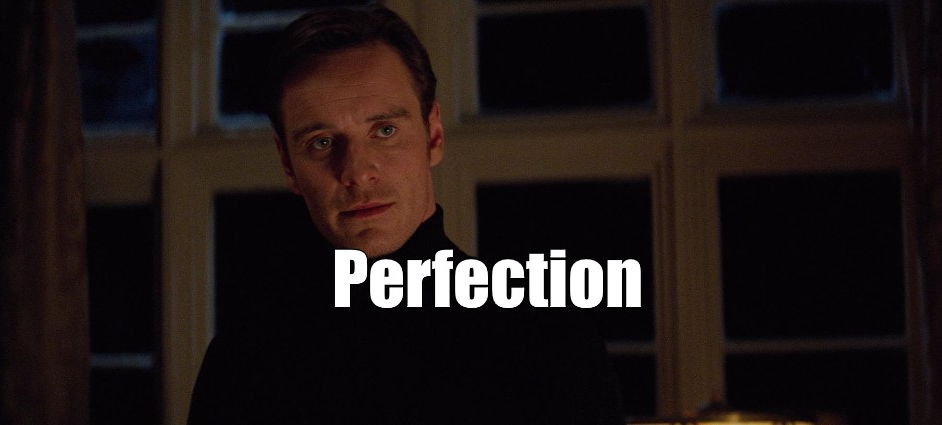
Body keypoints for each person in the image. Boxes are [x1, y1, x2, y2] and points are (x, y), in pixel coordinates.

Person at [187, 6, 624, 424]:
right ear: (288, 165)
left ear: (433, 135)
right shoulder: (244, 360)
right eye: (322, 142)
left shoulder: (548, 341)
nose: (357, 172)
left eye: (385, 130)